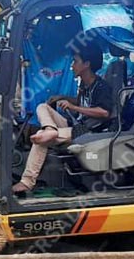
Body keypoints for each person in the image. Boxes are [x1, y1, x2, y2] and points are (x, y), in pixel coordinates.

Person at [12, 40, 114, 194]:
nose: (72, 65)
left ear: (86, 64)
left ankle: (27, 182)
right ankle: (50, 128)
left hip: (88, 132)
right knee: (42, 106)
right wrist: (61, 97)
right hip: (76, 125)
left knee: (41, 140)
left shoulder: (102, 86)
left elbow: (104, 112)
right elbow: (83, 103)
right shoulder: (84, 84)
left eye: (75, 61)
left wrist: (73, 107)